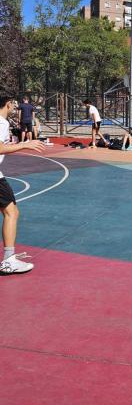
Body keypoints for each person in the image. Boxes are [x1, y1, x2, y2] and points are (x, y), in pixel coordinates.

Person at [0, 96, 46, 274]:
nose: (16, 107)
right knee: (12, 212)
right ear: (8, 104)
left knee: (7, 211)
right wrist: (24, 144)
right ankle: (9, 260)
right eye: (15, 104)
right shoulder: (2, 123)